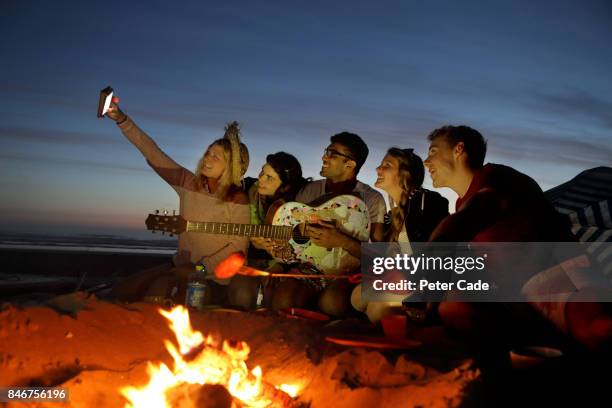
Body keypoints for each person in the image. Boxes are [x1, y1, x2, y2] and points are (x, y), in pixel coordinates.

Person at [423, 125, 611, 352]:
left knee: (596, 329)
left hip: (561, 276)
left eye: (433, 152)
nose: (426, 161)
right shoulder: (463, 202)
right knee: (455, 307)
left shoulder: (494, 178)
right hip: (521, 295)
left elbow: (457, 227)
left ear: (458, 149)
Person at [104, 102, 250, 305]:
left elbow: (237, 250)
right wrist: (121, 119)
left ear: (230, 166)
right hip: (181, 267)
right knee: (123, 289)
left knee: (157, 294)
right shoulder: (188, 183)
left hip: (214, 279)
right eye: (208, 152)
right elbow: (152, 152)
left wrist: (200, 268)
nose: (207, 158)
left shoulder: (238, 198)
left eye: (216, 157)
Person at [269, 132, 387, 317]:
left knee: (333, 303)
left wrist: (343, 241)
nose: (324, 157)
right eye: (326, 151)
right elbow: (296, 241)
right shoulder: (310, 191)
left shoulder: (372, 199)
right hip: (310, 268)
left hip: (350, 272)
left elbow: (378, 256)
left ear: (350, 164)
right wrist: (282, 252)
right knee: (284, 299)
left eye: (332, 153)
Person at [351, 147, 449, 322]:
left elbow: (440, 254)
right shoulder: (392, 216)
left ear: (406, 174)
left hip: (425, 285)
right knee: (358, 297)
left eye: (387, 165)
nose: (378, 169)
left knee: (377, 307)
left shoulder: (428, 203)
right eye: (380, 165)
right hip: (406, 281)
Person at [227, 152, 309, 310]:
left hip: (282, 263)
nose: (261, 180)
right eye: (262, 172)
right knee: (241, 294)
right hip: (250, 260)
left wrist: (280, 266)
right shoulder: (249, 188)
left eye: (269, 177)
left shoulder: (298, 204)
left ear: (286, 186)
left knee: (278, 299)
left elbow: (304, 248)